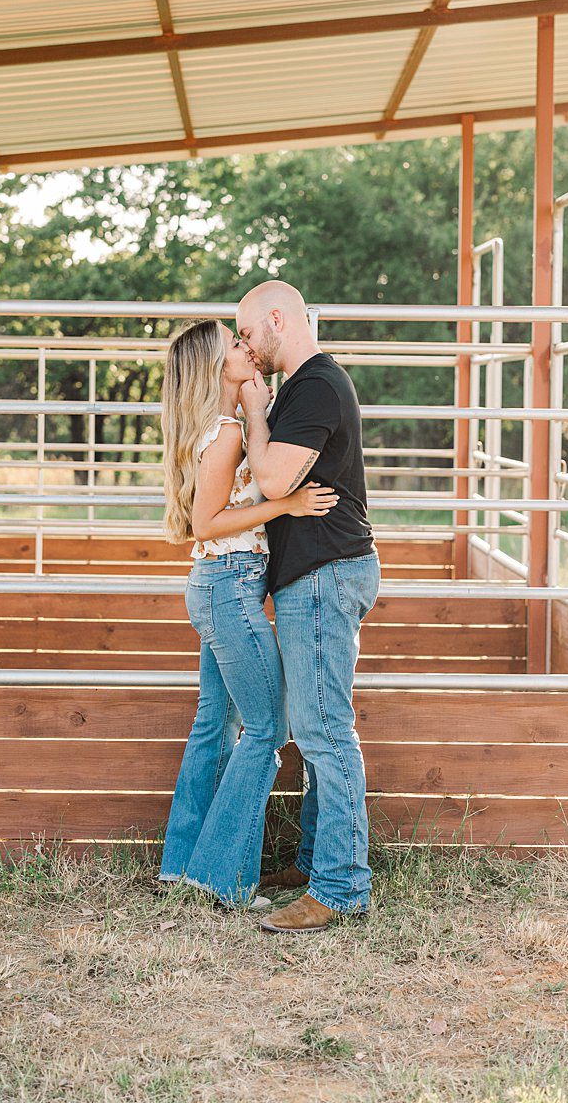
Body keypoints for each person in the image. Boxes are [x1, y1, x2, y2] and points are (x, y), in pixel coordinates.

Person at [155, 317, 336, 910]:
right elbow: (205, 525)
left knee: (216, 724)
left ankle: (183, 864)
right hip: (229, 589)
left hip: (219, 586)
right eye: (234, 346)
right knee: (267, 728)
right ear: (217, 368)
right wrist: (287, 504)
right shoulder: (228, 431)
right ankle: (223, 877)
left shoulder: (215, 427)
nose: (246, 348)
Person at [234, 278, 380, 934]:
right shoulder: (306, 386)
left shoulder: (316, 384)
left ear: (275, 318)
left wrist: (253, 405)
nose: (244, 345)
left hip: (325, 574)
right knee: (318, 726)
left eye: (246, 332)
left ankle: (342, 887)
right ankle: (320, 861)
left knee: (324, 731)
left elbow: (271, 479)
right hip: (317, 574)